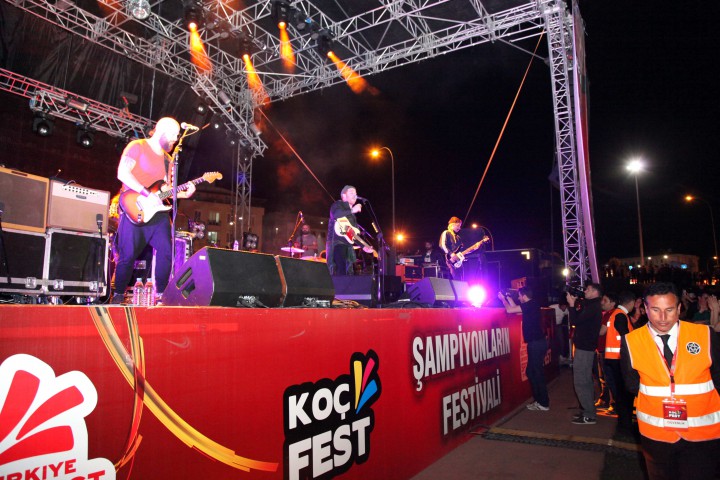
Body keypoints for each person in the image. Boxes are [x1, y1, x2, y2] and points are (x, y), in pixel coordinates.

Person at [621, 282, 720, 480]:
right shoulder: (631, 341)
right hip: (656, 435)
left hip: (703, 435)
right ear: (645, 309)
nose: (663, 318)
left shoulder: (705, 335)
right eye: (655, 310)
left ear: (679, 308)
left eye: (669, 310)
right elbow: (631, 384)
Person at [111, 117, 195, 304]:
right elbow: (122, 173)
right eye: (173, 135)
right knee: (127, 256)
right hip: (135, 208)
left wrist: (183, 193)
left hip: (157, 212)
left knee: (167, 251)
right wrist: (145, 193)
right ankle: (118, 295)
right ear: (162, 131)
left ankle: (161, 295)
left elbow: (165, 190)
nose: (175, 139)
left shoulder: (168, 160)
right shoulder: (137, 146)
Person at [499, 286, 550, 411]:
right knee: (531, 372)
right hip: (537, 343)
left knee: (536, 373)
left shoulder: (530, 305)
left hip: (536, 343)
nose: (519, 298)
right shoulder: (531, 305)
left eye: (519, 296)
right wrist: (508, 297)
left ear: (524, 296)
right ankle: (539, 400)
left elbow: (510, 310)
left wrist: (502, 299)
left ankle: (543, 403)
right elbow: (516, 309)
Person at [567, 282, 604, 425]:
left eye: (588, 289)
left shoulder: (593, 307)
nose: (585, 291)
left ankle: (589, 414)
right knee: (585, 380)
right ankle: (587, 410)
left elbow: (575, 321)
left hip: (585, 348)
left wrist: (571, 305)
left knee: (581, 381)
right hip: (585, 347)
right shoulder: (591, 305)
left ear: (595, 292)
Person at [603, 290, 636, 432]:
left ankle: (624, 423)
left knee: (620, 393)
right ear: (631, 303)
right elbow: (625, 337)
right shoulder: (620, 315)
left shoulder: (616, 314)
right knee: (623, 393)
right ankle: (625, 424)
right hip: (618, 359)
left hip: (613, 359)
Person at [326, 185, 373, 275]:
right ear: (344, 196)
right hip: (336, 243)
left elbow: (352, 234)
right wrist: (352, 210)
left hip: (348, 246)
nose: (355, 195)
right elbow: (336, 215)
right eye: (351, 193)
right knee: (339, 272)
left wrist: (364, 246)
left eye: (356, 193)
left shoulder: (352, 216)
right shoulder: (338, 204)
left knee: (349, 274)